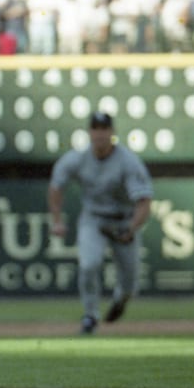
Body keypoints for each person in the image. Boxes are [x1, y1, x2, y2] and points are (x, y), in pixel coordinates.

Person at [48, 112, 153, 335]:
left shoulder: (128, 161)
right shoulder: (78, 158)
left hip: (124, 220)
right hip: (94, 219)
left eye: (104, 129)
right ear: (89, 132)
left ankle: (120, 301)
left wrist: (132, 228)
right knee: (88, 264)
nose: (99, 133)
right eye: (95, 128)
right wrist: (56, 219)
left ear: (112, 132)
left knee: (130, 285)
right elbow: (56, 186)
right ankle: (90, 316)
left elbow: (144, 202)